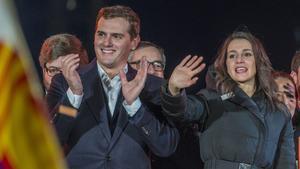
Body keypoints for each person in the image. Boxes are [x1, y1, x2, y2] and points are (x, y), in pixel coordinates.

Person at [46, 5, 179, 169]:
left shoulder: (152, 86)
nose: (106, 43)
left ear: (134, 41)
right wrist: (73, 98)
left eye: (116, 36)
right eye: (101, 34)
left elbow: (165, 147)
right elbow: (49, 143)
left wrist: (136, 108)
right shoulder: (64, 82)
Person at [161, 31, 296, 168]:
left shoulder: (279, 113)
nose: (239, 60)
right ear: (226, 64)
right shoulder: (211, 99)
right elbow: (183, 111)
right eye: (232, 56)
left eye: (247, 54)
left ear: (258, 60)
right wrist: (174, 90)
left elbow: (286, 164)